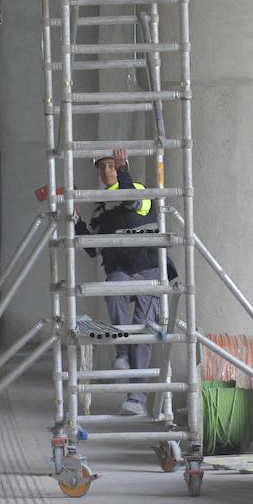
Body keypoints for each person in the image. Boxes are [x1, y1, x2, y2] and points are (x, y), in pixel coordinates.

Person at [75, 148, 159, 416]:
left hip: (147, 268)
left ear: (121, 167)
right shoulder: (100, 207)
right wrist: (76, 220)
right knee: (112, 287)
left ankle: (137, 398)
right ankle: (121, 350)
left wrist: (125, 172)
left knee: (143, 332)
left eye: (112, 166)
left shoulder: (138, 189)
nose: (107, 171)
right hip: (122, 269)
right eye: (103, 168)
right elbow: (92, 249)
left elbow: (132, 203)